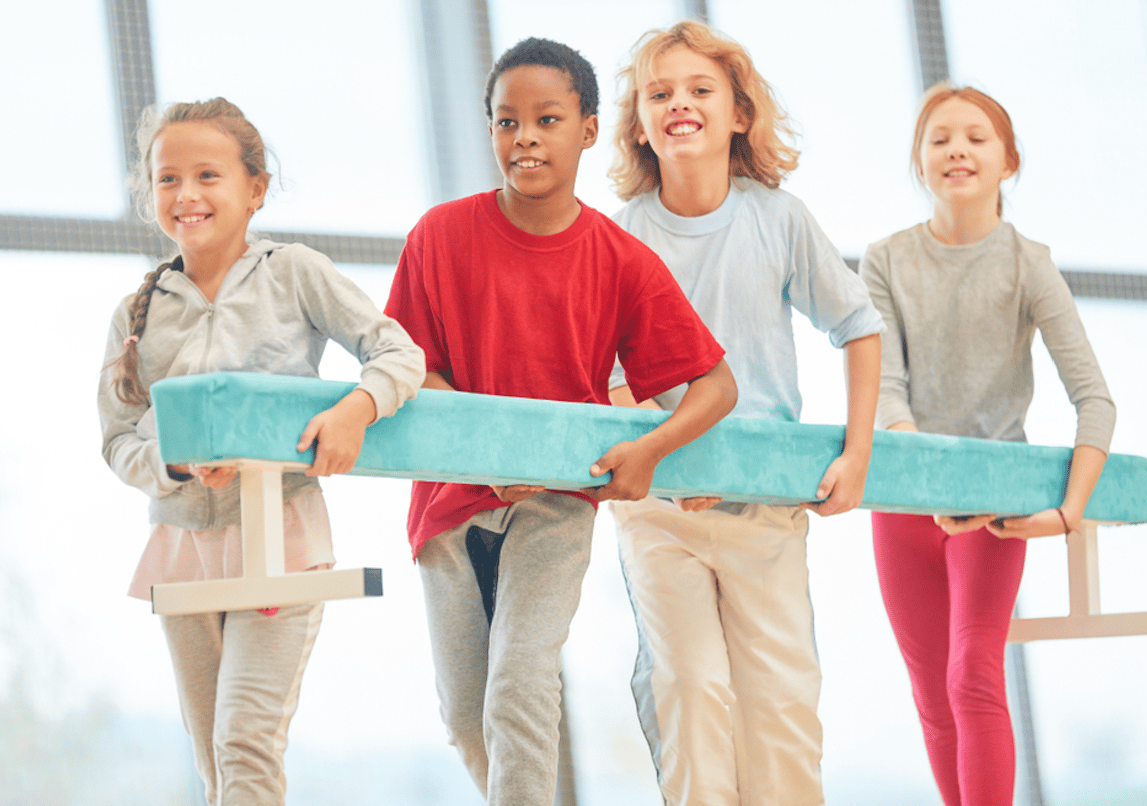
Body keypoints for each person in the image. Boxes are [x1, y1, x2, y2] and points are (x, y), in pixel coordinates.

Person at [383, 36, 737, 806]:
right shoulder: (437, 237)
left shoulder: (619, 259)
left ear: (586, 128)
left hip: (556, 508)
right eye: (507, 123)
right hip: (448, 506)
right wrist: (483, 455)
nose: (526, 138)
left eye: (547, 119)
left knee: (518, 685)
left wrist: (650, 451)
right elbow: (413, 367)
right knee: (467, 717)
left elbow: (715, 386)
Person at [98, 97, 426, 806]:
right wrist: (175, 464)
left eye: (207, 175)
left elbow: (398, 352)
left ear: (255, 189)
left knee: (244, 741)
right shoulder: (136, 312)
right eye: (167, 179)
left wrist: (355, 408)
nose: (186, 194)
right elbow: (118, 438)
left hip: (283, 536)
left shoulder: (295, 271)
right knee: (214, 758)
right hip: (181, 548)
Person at [606, 20, 883, 806]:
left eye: (700, 90)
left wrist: (855, 454)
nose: (679, 104)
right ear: (639, 123)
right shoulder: (621, 239)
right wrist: (673, 457)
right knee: (690, 694)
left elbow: (859, 327)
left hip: (765, 514)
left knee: (782, 708)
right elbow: (609, 381)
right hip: (662, 516)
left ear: (738, 115)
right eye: (659, 93)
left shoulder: (778, 219)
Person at [859, 83, 1115, 806]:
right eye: (939, 139)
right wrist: (924, 475)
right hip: (905, 498)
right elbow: (886, 390)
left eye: (976, 137)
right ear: (919, 163)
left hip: (997, 505)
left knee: (973, 673)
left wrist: (1064, 515)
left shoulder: (1029, 263)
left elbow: (1095, 399)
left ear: (1010, 162)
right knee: (932, 693)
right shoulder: (883, 260)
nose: (957, 150)